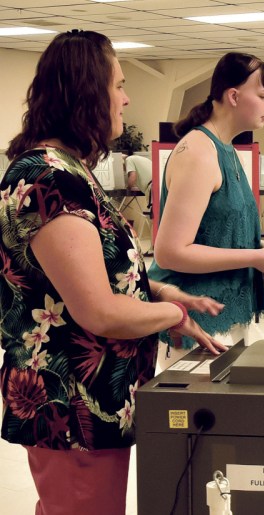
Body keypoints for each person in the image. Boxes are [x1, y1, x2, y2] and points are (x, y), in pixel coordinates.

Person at [0, 30, 226, 515]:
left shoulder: (70, 170)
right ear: (85, 90)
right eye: (118, 84)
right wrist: (168, 314)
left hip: (100, 398)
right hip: (70, 406)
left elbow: (96, 277)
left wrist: (161, 291)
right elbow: (98, 311)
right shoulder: (45, 177)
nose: (125, 98)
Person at [149, 52, 264, 363]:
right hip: (197, 325)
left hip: (226, 320)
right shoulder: (199, 152)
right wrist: (255, 256)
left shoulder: (225, 149)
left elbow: (216, 234)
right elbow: (170, 251)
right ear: (234, 96)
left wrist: (262, 254)